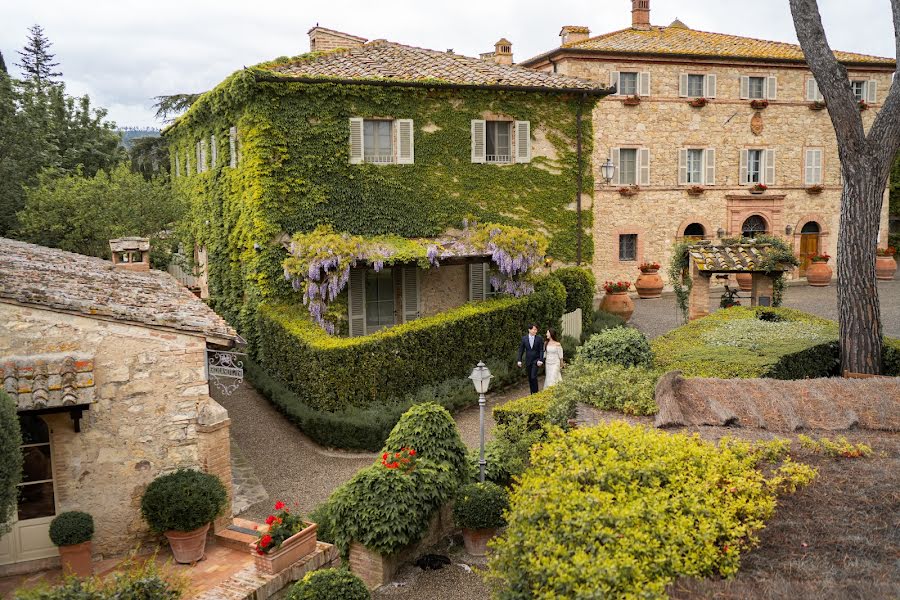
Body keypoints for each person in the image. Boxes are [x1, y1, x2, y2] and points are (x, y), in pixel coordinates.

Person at [517, 324, 544, 394]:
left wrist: (541, 360)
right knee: (530, 378)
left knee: (533, 376)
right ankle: (532, 393)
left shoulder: (539, 338)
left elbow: (541, 350)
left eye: (536, 329)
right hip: (528, 361)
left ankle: (536, 393)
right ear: (529, 330)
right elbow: (521, 350)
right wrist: (519, 360)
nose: (535, 331)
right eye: (534, 329)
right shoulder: (524, 339)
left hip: (536, 361)